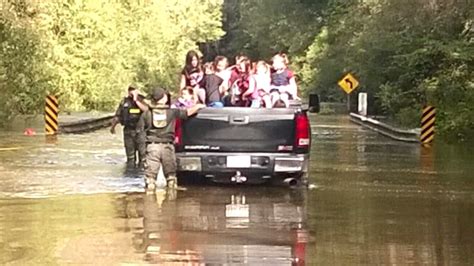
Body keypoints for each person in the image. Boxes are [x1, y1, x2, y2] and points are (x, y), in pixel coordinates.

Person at [138, 87, 205, 193]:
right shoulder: (172, 112)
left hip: (152, 147)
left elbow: (140, 133)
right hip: (167, 147)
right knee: (171, 178)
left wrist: (142, 152)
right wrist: (199, 106)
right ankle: (171, 201)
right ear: (164, 98)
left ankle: (149, 205)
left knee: (150, 180)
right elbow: (187, 113)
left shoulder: (146, 114)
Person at [110, 85, 149, 169]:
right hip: (128, 131)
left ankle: (141, 175)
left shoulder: (143, 100)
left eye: (134, 90)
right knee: (130, 157)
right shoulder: (124, 102)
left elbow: (147, 110)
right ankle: (130, 174)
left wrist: (136, 100)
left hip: (141, 131)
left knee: (143, 156)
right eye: (130, 90)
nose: (132, 92)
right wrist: (113, 127)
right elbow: (118, 116)